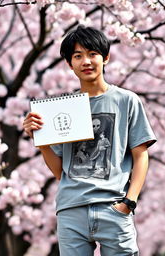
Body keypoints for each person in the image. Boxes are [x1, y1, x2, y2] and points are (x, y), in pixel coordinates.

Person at [23, 25, 157, 256]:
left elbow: (140, 154)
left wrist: (129, 203)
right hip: (71, 210)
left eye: (92, 54)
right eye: (77, 56)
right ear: (69, 63)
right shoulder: (63, 109)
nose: (86, 61)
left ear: (105, 58)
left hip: (114, 207)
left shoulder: (127, 101)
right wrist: (40, 140)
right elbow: (59, 171)